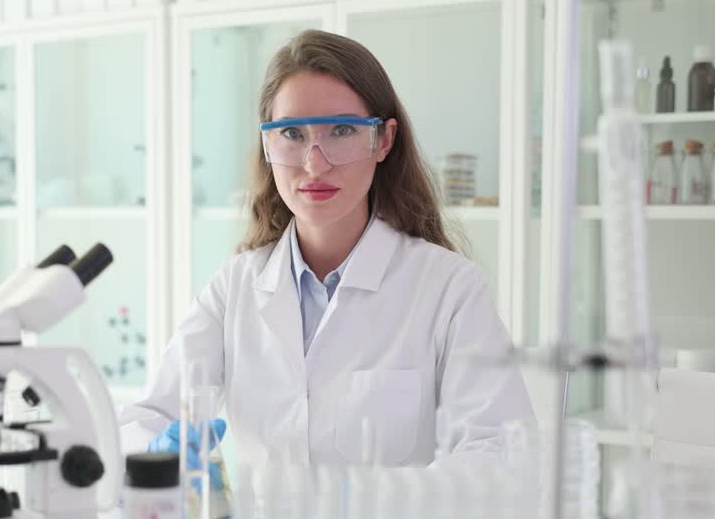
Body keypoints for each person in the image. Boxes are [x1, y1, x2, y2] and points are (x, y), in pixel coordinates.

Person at [119, 30, 533, 470]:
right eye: (293, 133)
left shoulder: (450, 289)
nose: (315, 163)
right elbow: (148, 417)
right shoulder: (235, 287)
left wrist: (368, 504)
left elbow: (501, 453)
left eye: (340, 131)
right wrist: (158, 459)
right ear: (267, 143)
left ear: (384, 140)